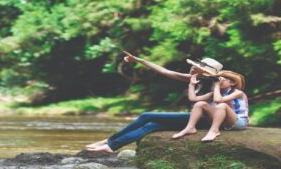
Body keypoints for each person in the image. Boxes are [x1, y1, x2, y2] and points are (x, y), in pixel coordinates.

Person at [86, 51, 225, 153]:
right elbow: (164, 71)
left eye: (197, 67)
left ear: (206, 73)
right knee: (152, 125)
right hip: (196, 117)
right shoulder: (194, 78)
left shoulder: (214, 85)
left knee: (146, 116)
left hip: (205, 119)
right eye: (194, 66)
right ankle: (111, 144)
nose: (193, 68)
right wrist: (138, 60)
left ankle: (109, 142)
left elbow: (206, 101)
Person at [172, 69, 249, 141]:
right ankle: (190, 127)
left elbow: (218, 100)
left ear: (232, 83)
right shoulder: (214, 94)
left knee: (222, 105)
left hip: (238, 122)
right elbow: (193, 98)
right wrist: (191, 84)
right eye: (217, 79)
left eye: (221, 79)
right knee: (200, 104)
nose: (218, 81)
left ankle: (214, 130)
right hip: (223, 123)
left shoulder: (238, 92)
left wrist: (216, 85)